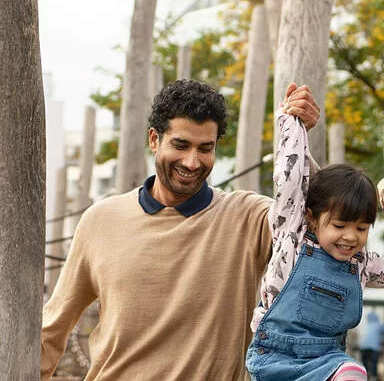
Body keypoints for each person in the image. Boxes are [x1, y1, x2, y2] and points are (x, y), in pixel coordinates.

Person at [41, 79, 320, 381]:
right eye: (180, 144)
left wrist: (298, 138)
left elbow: (315, 219)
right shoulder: (100, 220)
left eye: (205, 148)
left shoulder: (248, 217)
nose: (192, 161)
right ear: (154, 139)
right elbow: (52, 328)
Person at [245, 107, 384, 381]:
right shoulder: (292, 237)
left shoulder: (363, 264)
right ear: (311, 218)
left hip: (327, 362)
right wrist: (293, 123)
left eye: (361, 228)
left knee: (352, 373)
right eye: (339, 226)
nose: (350, 237)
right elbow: (290, 179)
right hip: (274, 358)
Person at [359, 311, 384, 381]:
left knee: (365, 364)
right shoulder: (378, 325)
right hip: (374, 347)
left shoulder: (368, 326)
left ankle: (364, 377)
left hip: (363, 347)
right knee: (374, 364)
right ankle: (373, 377)